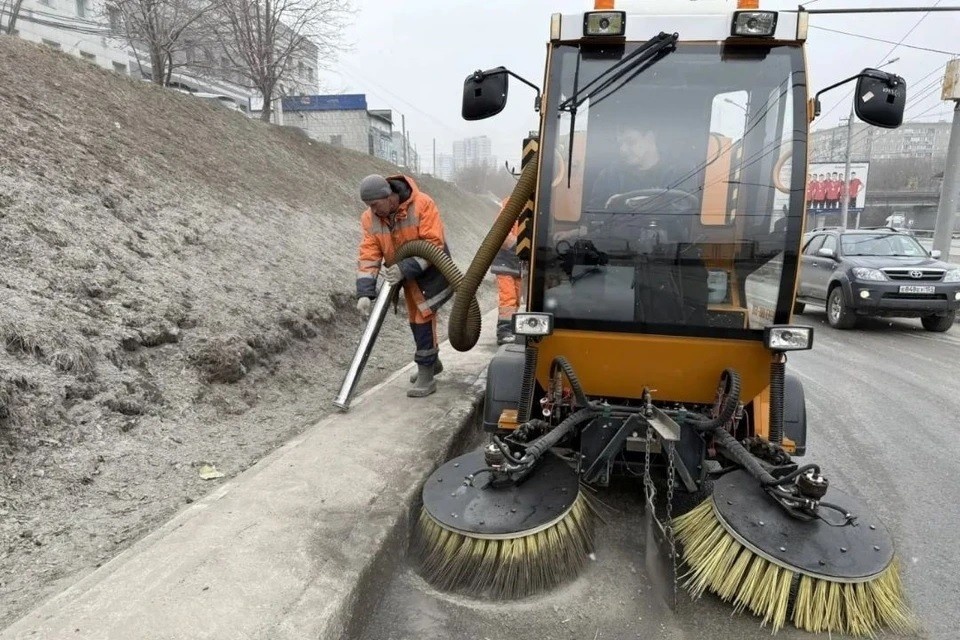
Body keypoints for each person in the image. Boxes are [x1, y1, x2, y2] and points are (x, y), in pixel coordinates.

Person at [355, 174, 453, 398]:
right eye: (368, 206)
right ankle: (432, 362)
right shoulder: (370, 218)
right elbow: (369, 254)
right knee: (415, 318)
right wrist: (364, 291)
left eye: (375, 204)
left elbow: (433, 244)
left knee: (422, 317)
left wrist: (404, 268)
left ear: (389, 197)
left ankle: (426, 374)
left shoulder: (422, 204)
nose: (372, 210)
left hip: (429, 269)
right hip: (403, 274)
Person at [490, 197, 523, 345]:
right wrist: (523, 245)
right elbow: (501, 232)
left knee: (515, 297)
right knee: (508, 297)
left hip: (518, 261)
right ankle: (504, 332)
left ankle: (512, 329)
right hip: (505, 259)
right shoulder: (512, 202)